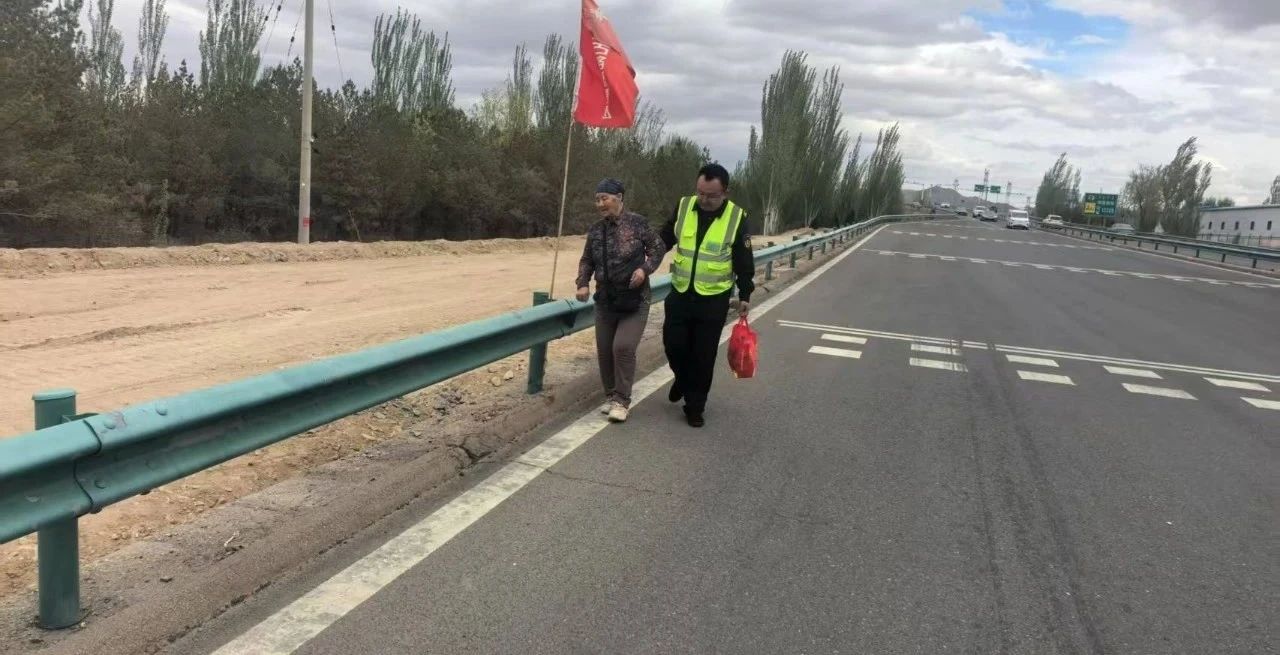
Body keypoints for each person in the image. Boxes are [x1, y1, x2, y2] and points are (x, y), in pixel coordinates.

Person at [660, 163, 755, 428]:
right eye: (701, 193)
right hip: (680, 293)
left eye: (711, 195)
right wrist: (644, 258)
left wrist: (745, 292)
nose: (705, 199)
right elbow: (664, 238)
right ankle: (681, 378)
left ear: (725, 192)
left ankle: (695, 406)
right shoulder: (684, 206)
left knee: (703, 355)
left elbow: (743, 260)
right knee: (673, 345)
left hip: (712, 299)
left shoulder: (736, 218)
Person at [576, 178, 665, 423]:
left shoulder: (638, 224)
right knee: (605, 350)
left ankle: (622, 400)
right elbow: (587, 260)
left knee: (623, 347)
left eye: (605, 198)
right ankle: (611, 395)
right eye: (597, 199)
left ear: (620, 198)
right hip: (606, 298)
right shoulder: (596, 230)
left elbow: (658, 248)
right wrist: (582, 283)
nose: (600, 204)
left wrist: (644, 269)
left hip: (635, 299)